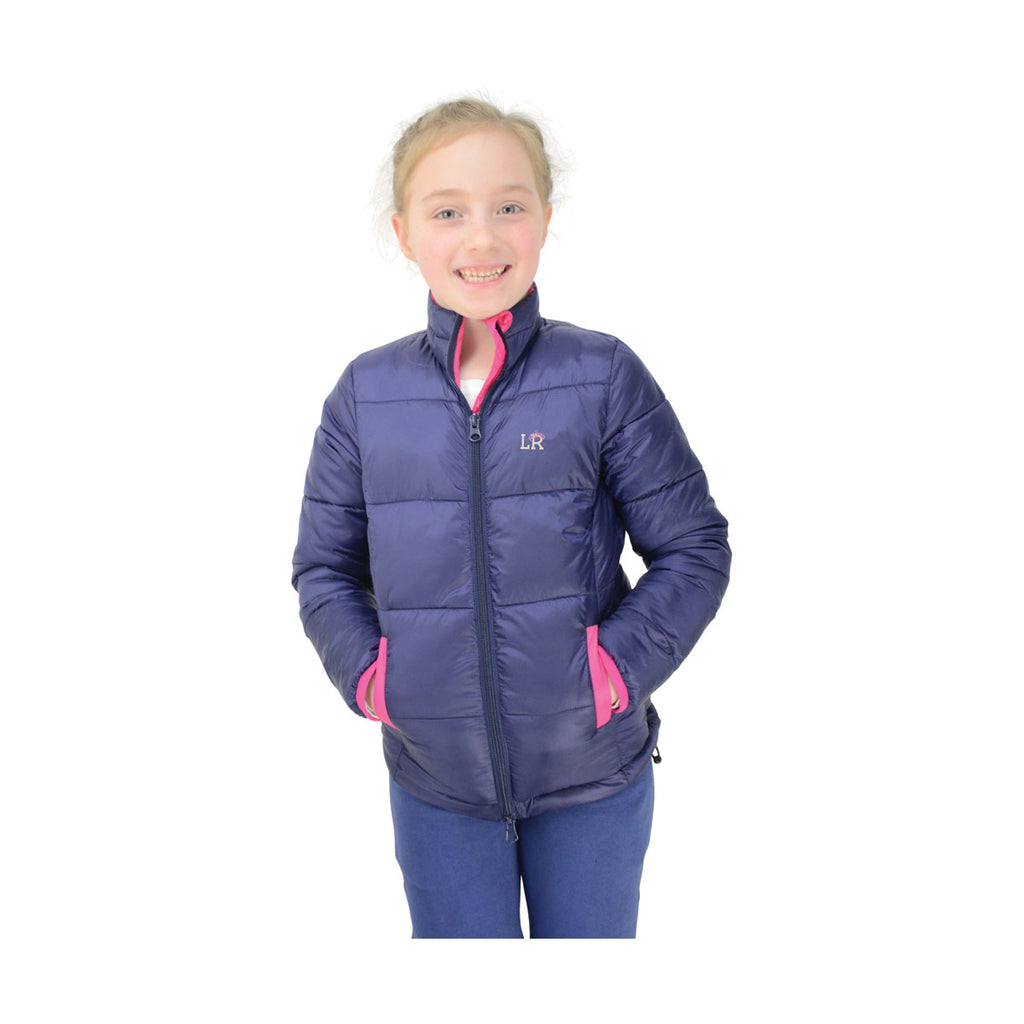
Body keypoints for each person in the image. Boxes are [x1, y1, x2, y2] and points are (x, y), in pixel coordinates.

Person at [292, 98, 730, 938]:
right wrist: (373, 677)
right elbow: (325, 568)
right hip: (437, 786)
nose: (482, 238)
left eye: (509, 206)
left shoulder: (601, 375)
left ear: (545, 219)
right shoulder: (365, 395)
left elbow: (693, 547)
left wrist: (613, 673)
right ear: (403, 232)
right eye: (447, 212)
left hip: (593, 778)